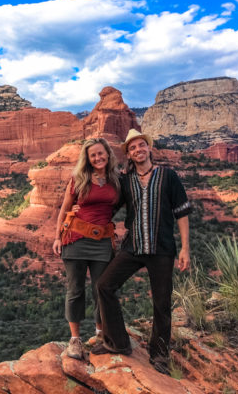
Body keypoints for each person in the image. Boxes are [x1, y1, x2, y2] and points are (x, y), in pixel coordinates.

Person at [90, 129, 191, 375]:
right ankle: (118, 342)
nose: (138, 150)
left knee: (162, 303)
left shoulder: (168, 176)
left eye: (141, 145)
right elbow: (108, 207)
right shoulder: (125, 181)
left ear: (148, 148)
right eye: (132, 148)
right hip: (133, 247)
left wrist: (185, 248)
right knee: (104, 286)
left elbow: (182, 212)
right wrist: (80, 218)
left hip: (162, 249)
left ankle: (159, 355)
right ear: (128, 154)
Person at [53, 137, 120, 360]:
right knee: (75, 290)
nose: (98, 158)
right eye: (93, 155)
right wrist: (57, 237)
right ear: (88, 159)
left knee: (101, 289)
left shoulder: (116, 180)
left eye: (101, 153)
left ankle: (100, 334)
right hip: (75, 239)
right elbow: (64, 209)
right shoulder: (78, 179)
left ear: (108, 154)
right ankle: (75, 339)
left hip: (102, 241)